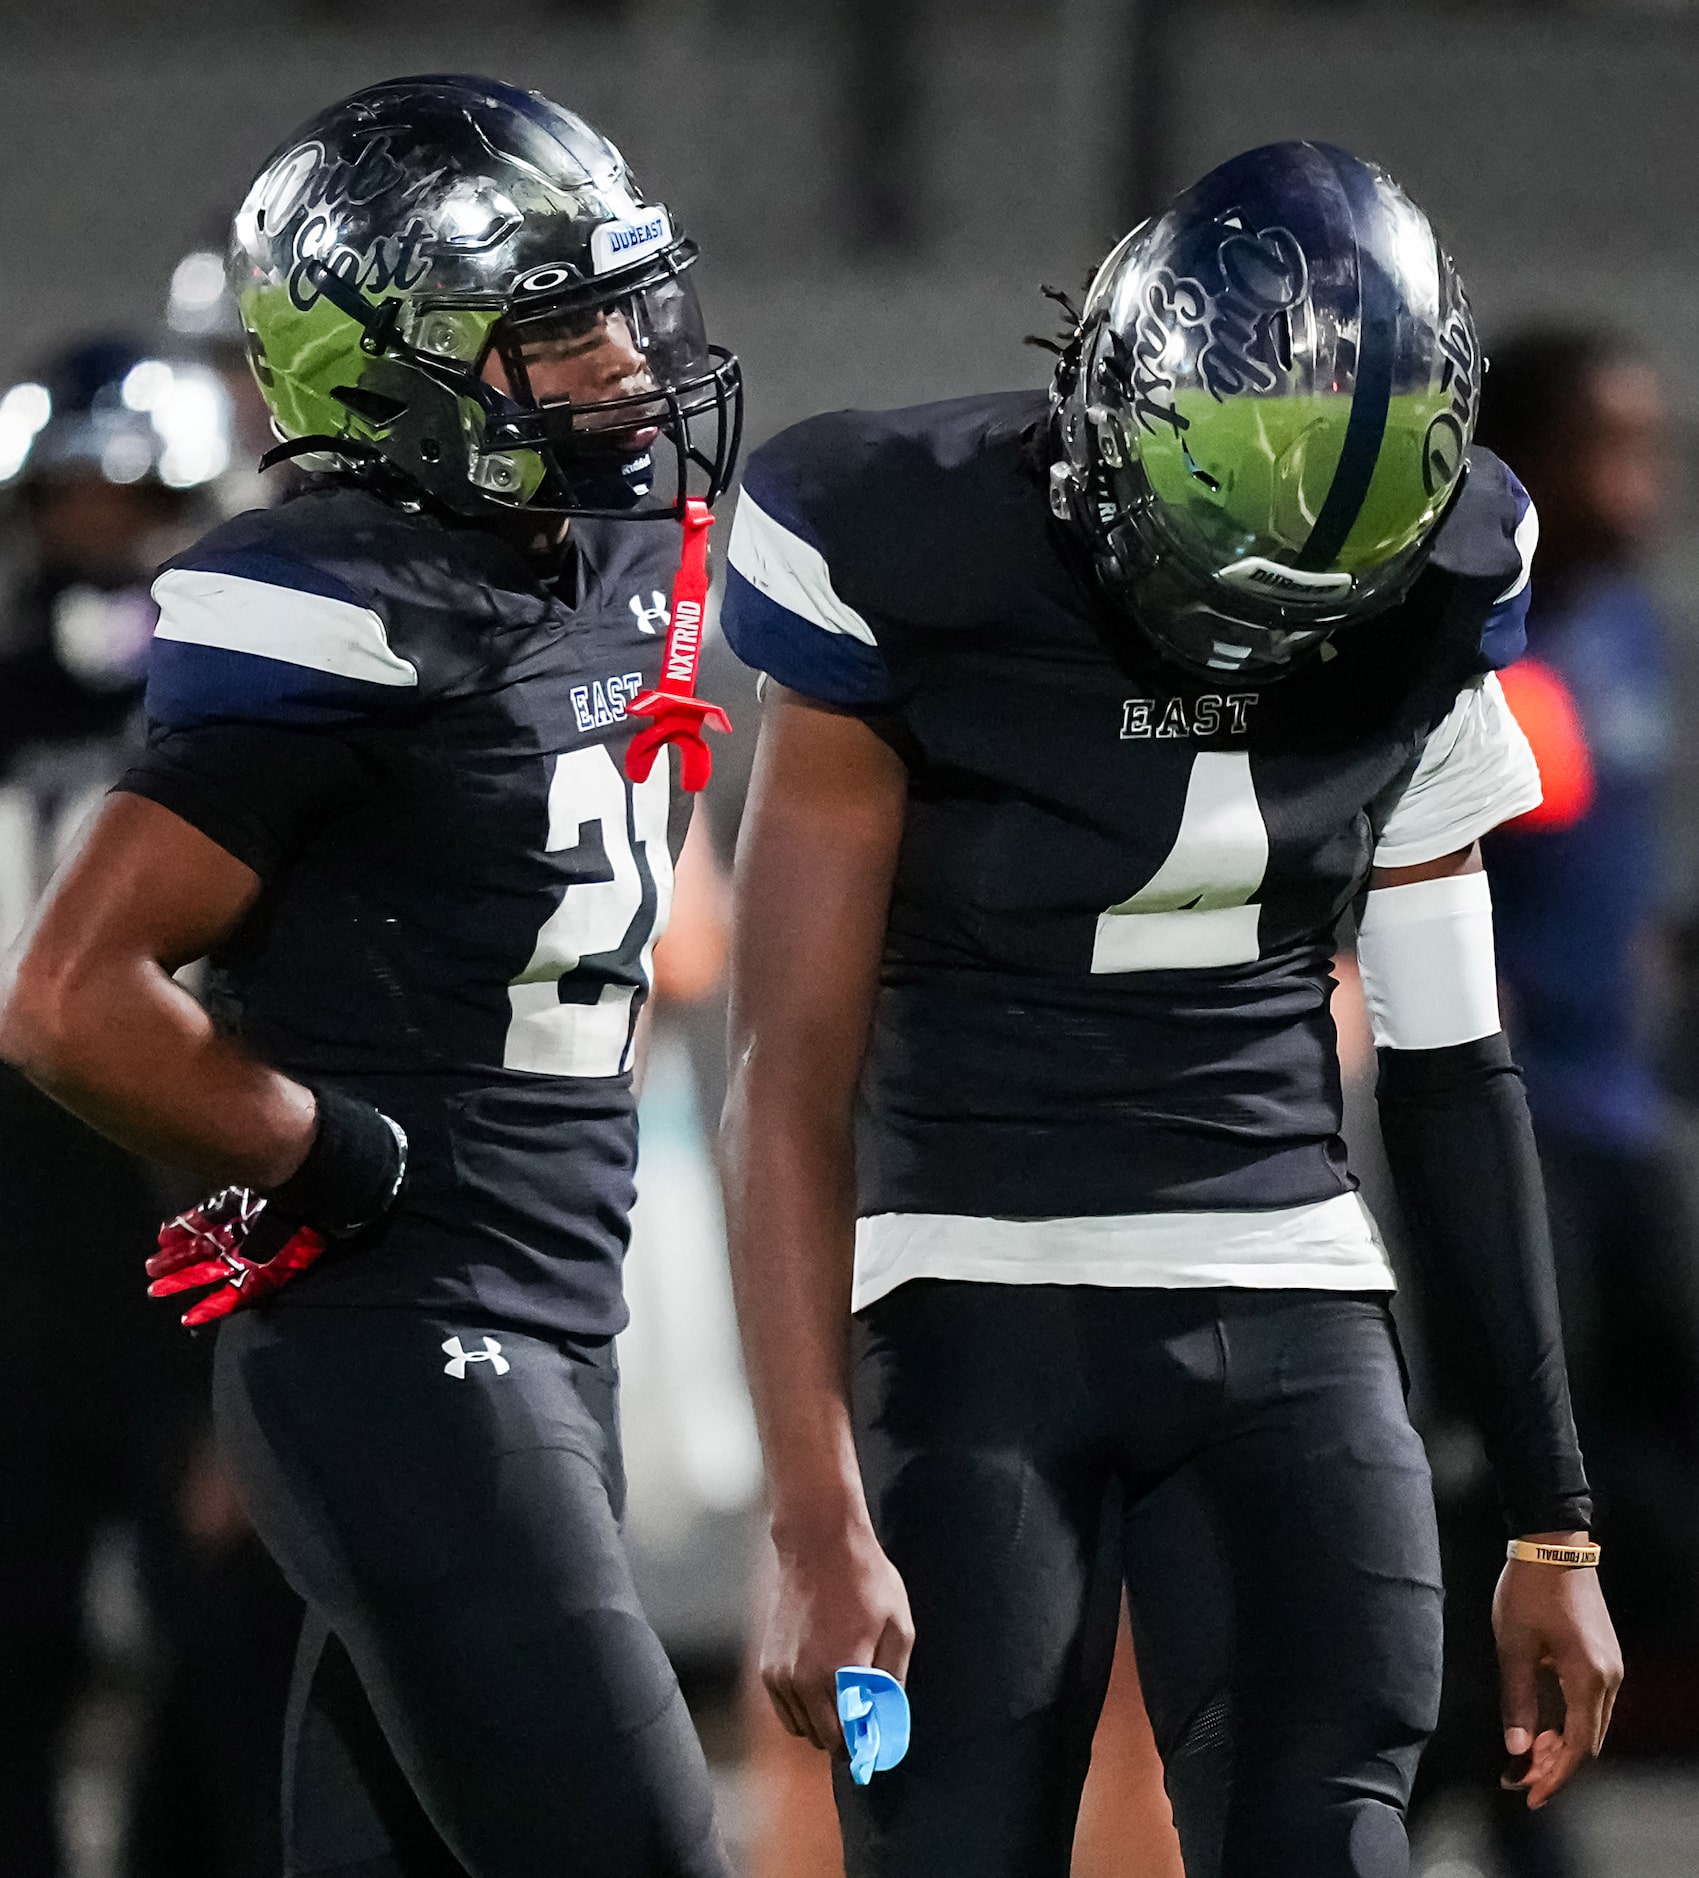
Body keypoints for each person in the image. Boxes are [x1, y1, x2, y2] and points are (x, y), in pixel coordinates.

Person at [717, 142, 1622, 1878]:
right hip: (968, 1309)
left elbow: (1451, 1067)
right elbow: (789, 1072)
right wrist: (812, 1502)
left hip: (1291, 1310)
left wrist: (1553, 1524)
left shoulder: (1447, 584)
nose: (1245, 639)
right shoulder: (905, 545)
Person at [0, 73, 742, 1878]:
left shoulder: (623, 557)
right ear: (392, 364)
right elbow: (71, 998)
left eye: (622, 311)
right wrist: (334, 1154)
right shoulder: (324, 598)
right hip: (402, 1336)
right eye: (554, 332)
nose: (626, 364)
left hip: (556, 1308)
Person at [0, 335, 241, 1878]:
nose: (99, 525)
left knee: (226, 1634)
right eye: (69, 496)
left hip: (190, 1166)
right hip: (19, 1201)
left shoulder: (241, 708)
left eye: (128, 494)